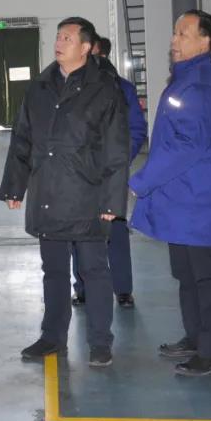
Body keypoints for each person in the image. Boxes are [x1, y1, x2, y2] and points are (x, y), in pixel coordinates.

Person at [0, 18, 130, 368]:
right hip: (48, 193)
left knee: (94, 270)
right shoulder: (40, 88)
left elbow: (116, 148)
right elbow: (22, 138)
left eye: (67, 38)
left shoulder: (104, 90)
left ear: (85, 47)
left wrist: (112, 201)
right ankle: (52, 337)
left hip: (88, 196)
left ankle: (100, 342)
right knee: (54, 271)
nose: (59, 43)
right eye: (58, 37)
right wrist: (15, 185)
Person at [128, 10, 211, 377]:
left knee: (208, 278)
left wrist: (141, 181)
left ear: (205, 42)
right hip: (184, 200)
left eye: (183, 34)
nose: (174, 41)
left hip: (199, 201)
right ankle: (196, 337)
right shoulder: (187, 78)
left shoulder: (200, 85)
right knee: (187, 275)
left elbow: (186, 146)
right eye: (175, 33)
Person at [71, 37, 148, 309]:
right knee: (79, 231)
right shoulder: (74, 88)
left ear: (100, 53)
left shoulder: (123, 88)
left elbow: (137, 129)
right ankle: (82, 287)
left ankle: (123, 289)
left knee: (116, 231)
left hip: (112, 174)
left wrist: (120, 161)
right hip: (81, 175)